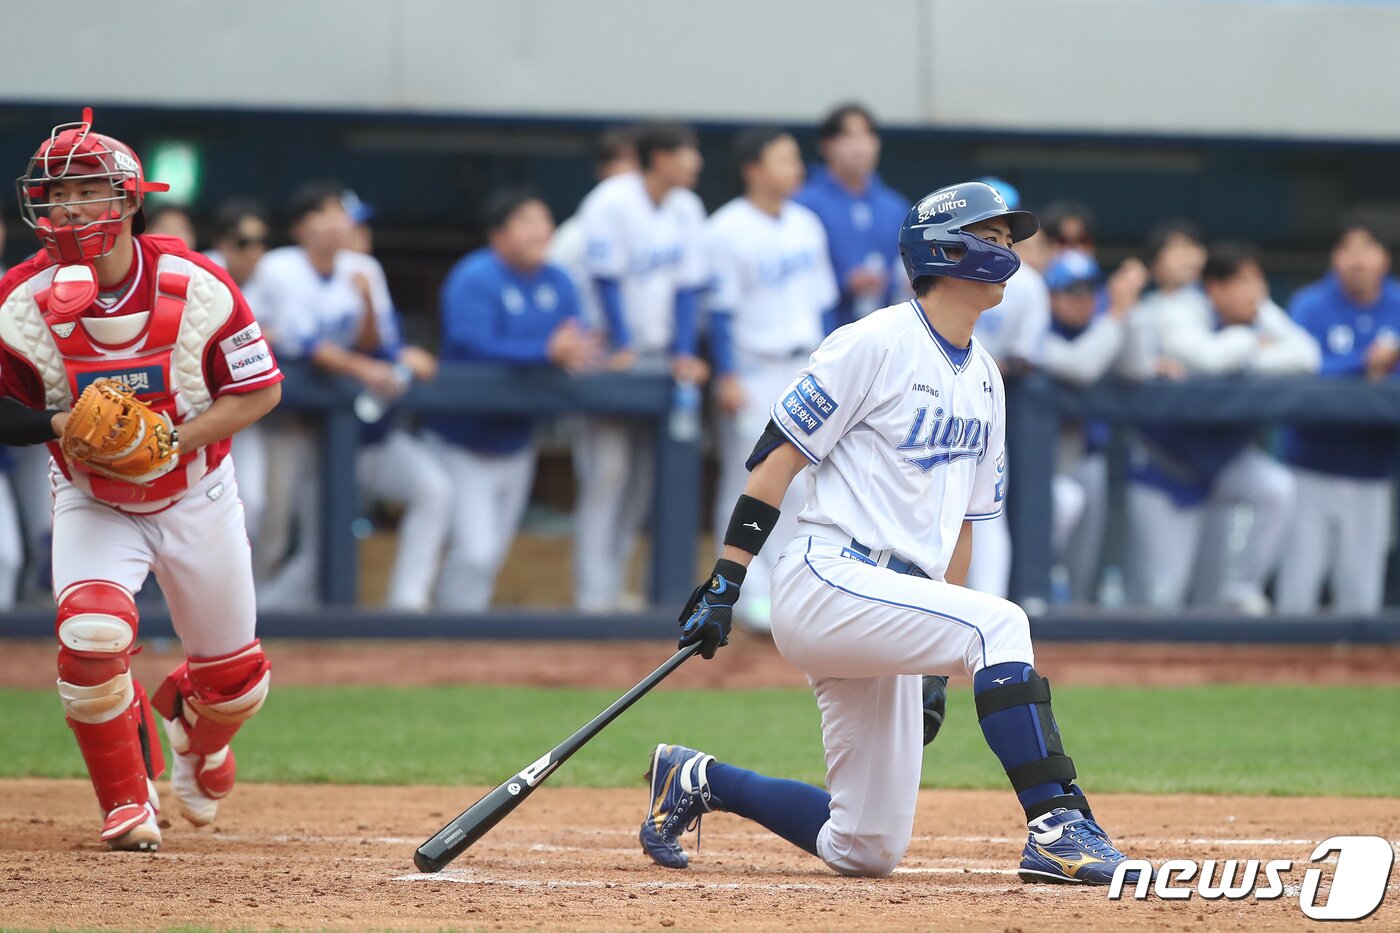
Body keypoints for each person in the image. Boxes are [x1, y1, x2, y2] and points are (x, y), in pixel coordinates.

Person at [638, 181, 1139, 885]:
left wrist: (935, 660)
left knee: (865, 844)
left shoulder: (988, 379)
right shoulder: (871, 341)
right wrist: (727, 577)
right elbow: (774, 461)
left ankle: (697, 778)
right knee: (1002, 624)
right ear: (944, 248)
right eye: (989, 238)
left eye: (1007, 240)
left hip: (894, 600)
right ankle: (1057, 824)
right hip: (827, 575)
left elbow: (963, 527)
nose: (1006, 252)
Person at [0, 109, 282, 850]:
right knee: (91, 634)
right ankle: (127, 801)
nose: (68, 208)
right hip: (93, 497)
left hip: (197, 489)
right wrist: (60, 425)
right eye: (56, 192)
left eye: (86, 189)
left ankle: (197, 733)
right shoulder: (19, 300)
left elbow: (258, 390)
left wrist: (173, 438)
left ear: (128, 200)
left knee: (239, 686)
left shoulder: (198, 282)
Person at [250, 183, 449, 610]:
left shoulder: (364, 270)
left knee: (432, 490)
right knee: (298, 543)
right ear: (303, 226)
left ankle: (407, 604)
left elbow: (377, 345)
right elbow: (306, 347)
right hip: (285, 425)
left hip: (361, 432)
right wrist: (368, 369)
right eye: (327, 213)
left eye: (343, 214)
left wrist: (367, 305)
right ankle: (255, 616)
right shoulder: (279, 267)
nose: (339, 223)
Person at [426, 189, 602, 610]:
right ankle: (452, 636)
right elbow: (469, 345)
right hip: (461, 439)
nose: (542, 230)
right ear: (499, 233)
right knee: (475, 552)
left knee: (491, 555)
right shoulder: (475, 275)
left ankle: (462, 637)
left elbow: (573, 339)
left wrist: (570, 351)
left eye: (545, 221)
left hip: (517, 440)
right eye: (528, 221)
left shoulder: (558, 279)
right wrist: (545, 352)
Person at [1125, 242, 1320, 612]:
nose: (1257, 292)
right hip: (1166, 467)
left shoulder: (1260, 311)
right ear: (1215, 287)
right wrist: (1251, 343)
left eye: (1259, 281)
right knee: (1160, 599)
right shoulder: (1179, 308)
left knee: (1275, 488)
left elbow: (1307, 355)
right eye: (1245, 281)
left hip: (1222, 462)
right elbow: (1206, 358)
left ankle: (1245, 587)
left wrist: (1247, 357)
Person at [706, 128, 839, 632]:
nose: (794, 166)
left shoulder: (807, 223)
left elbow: (825, 303)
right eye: (782, 158)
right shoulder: (725, 229)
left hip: (803, 367)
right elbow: (719, 311)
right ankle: (746, 592)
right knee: (748, 478)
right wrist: (727, 373)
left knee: (803, 481)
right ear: (753, 169)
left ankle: (785, 590)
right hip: (754, 365)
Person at [572, 124, 709, 611]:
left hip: (660, 356)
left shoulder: (687, 208)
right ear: (658, 158)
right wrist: (624, 344)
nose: (695, 162)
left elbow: (688, 287)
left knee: (643, 484)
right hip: (609, 352)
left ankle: (614, 588)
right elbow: (605, 279)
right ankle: (592, 595)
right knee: (607, 474)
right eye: (685, 152)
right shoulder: (611, 200)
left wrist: (685, 350)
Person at [1276, 213, 1400, 613]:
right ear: (1334, 257)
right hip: (1311, 466)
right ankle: (1287, 673)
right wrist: (1362, 365)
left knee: (1361, 593)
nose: (1357, 259)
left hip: (1373, 471)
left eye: (1368, 248)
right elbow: (1298, 367)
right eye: (1347, 248)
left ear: (1385, 257)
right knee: (1298, 586)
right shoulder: (1310, 304)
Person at [1030, 250, 1149, 603]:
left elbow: (1139, 369)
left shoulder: (1104, 326)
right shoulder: (1037, 330)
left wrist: (1129, 309)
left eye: (1088, 291)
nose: (1082, 300)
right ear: (1051, 296)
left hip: (1085, 455)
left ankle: (1076, 616)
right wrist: (1115, 314)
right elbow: (1080, 367)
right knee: (1050, 533)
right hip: (1038, 461)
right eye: (1071, 291)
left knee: (1082, 557)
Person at [794, 104, 909, 332]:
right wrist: (843, 282)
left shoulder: (894, 205)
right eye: (848, 136)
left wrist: (894, 282)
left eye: (867, 135)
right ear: (827, 145)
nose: (860, 147)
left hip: (885, 334)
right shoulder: (802, 205)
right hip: (822, 333)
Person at [204, 201, 272, 549]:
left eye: (260, 242)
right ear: (223, 243)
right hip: (195, 412)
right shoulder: (201, 272)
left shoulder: (273, 277)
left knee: (255, 503)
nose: (254, 252)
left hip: (243, 412)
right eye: (244, 242)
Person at [550, 127, 638, 330]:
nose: (635, 172)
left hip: (653, 350)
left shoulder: (662, 228)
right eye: (626, 160)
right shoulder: (573, 235)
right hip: (594, 348)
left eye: (640, 163)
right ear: (603, 169)